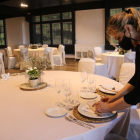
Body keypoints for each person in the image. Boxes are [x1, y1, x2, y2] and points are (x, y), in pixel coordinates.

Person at [93, 7, 140, 113]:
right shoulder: (138, 44)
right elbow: (136, 79)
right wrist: (114, 98)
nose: (119, 43)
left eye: (118, 38)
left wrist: (109, 107)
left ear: (128, 29)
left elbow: (138, 93)